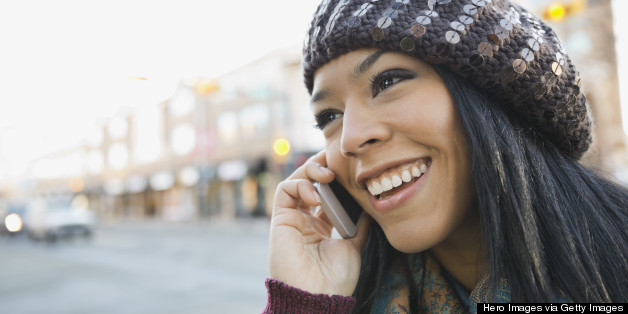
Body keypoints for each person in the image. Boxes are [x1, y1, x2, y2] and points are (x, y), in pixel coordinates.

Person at [264, 0, 628, 312]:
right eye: (329, 116)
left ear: (496, 98)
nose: (350, 139)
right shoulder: (340, 298)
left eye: (388, 82)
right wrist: (306, 300)